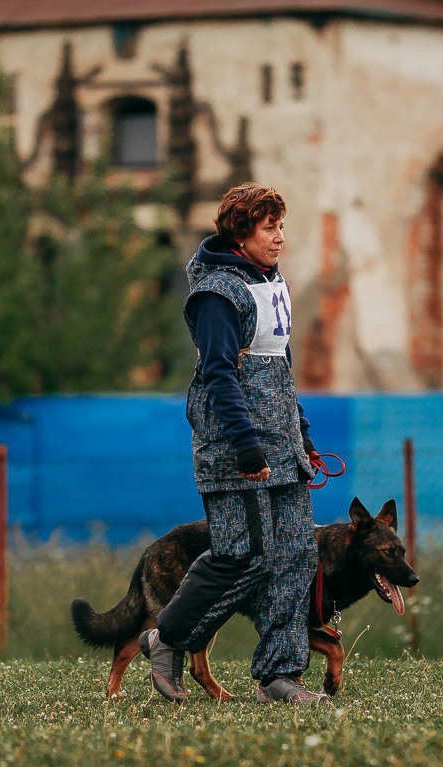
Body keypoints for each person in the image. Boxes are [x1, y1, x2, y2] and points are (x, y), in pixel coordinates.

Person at [139, 183, 327, 704]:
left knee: (295, 556)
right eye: (269, 228)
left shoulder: (274, 284)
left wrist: (302, 436)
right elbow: (219, 375)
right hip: (235, 451)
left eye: (281, 226)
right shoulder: (217, 294)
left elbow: (280, 371)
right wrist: (246, 445)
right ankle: (167, 638)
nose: (280, 237)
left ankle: (280, 676)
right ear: (241, 233)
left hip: (283, 448)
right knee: (242, 557)